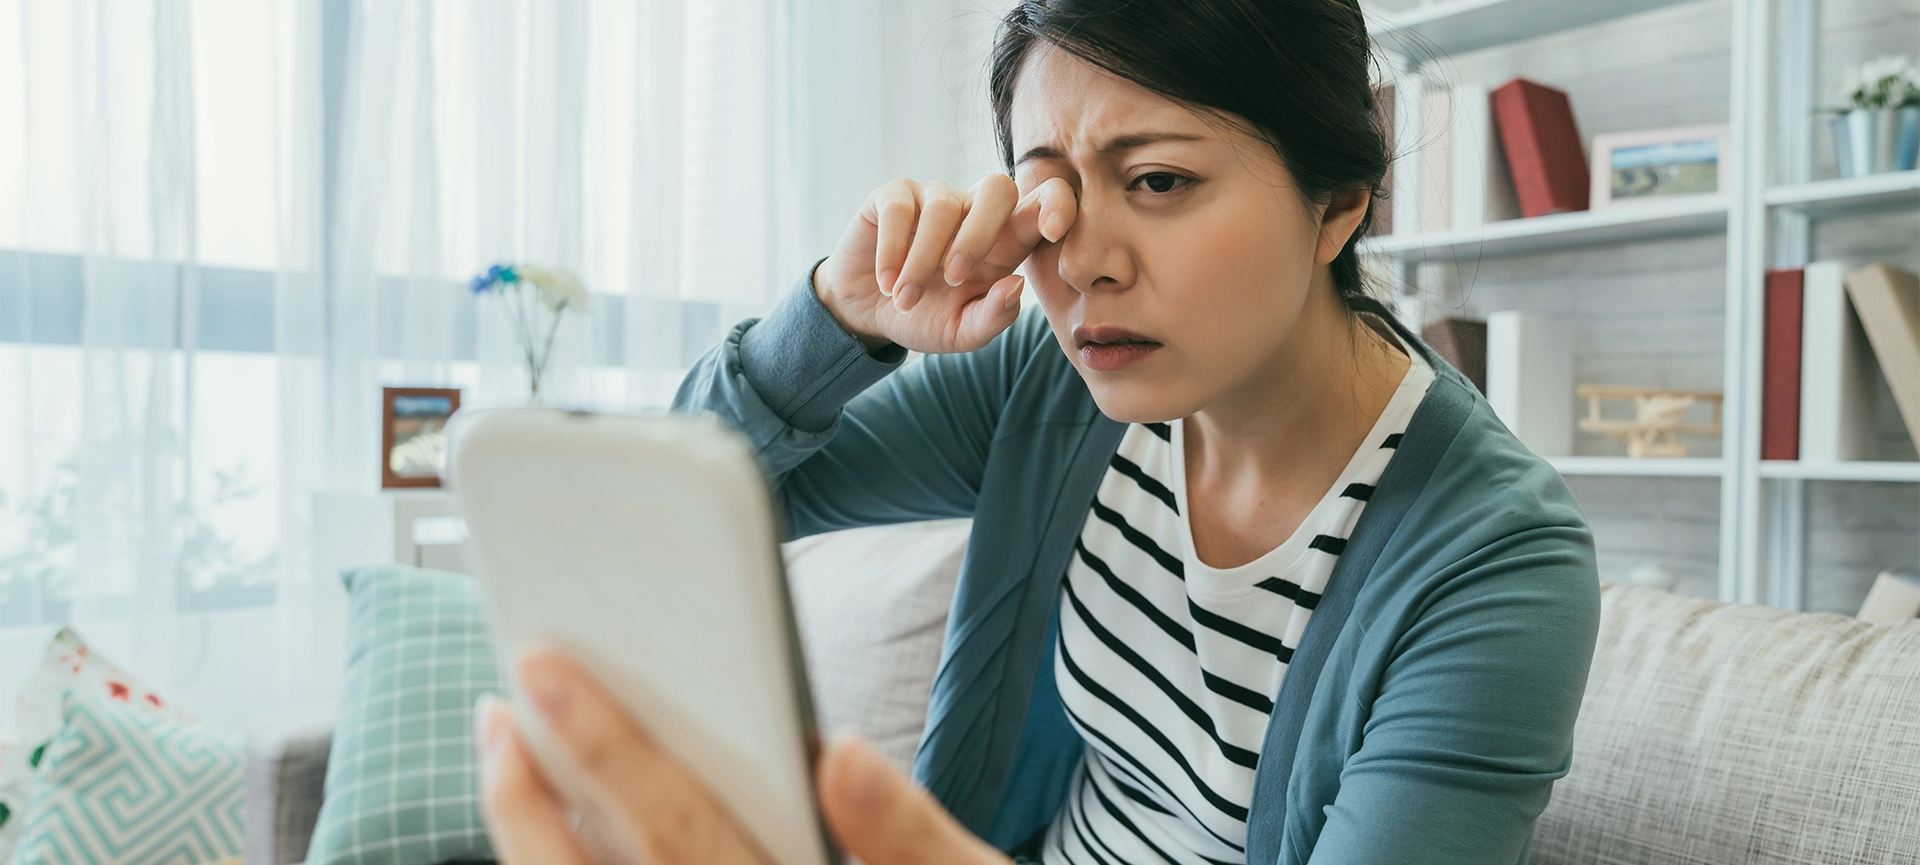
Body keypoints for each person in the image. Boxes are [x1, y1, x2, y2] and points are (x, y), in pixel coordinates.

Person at [473, 0, 1602, 862]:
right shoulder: (1054, 377)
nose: (1085, 262)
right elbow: (710, 499)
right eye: (1049, 194)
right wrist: (834, 316)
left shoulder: (1493, 561)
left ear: (1338, 203)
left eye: (1158, 180)